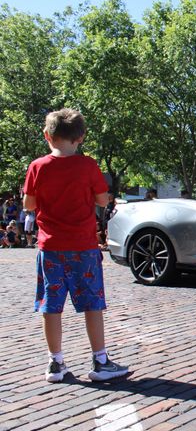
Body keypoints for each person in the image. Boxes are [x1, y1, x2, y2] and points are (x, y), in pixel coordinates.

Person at [23, 108, 128, 383]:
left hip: (50, 247)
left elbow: (29, 205)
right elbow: (103, 200)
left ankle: (55, 363)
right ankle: (100, 361)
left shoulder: (37, 166)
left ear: (47, 135)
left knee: (51, 306)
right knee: (92, 304)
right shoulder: (88, 166)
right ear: (80, 137)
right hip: (83, 247)